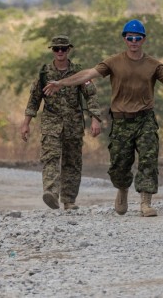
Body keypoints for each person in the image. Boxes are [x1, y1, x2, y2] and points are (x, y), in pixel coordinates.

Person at [43, 20, 163, 217]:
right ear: (124, 39)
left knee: (148, 158)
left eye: (137, 38)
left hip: (145, 119)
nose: (133, 41)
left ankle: (145, 202)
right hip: (121, 121)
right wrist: (62, 83)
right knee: (119, 165)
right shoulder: (114, 62)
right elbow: (89, 73)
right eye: (129, 37)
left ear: (143, 40)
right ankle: (122, 190)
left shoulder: (153, 65)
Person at [20, 35, 102, 211]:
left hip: (73, 123)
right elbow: (34, 99)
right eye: (56, 49)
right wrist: (26, 123)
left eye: (63, 49)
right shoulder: (44, 73)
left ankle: (69, 200)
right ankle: (50, 193)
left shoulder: (79, 72)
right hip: (51, 122)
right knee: (51, 157)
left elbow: (91, 96)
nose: (59, 52)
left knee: (72, 162)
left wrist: (95, 118)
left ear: (68, 50)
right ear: (52, 50)